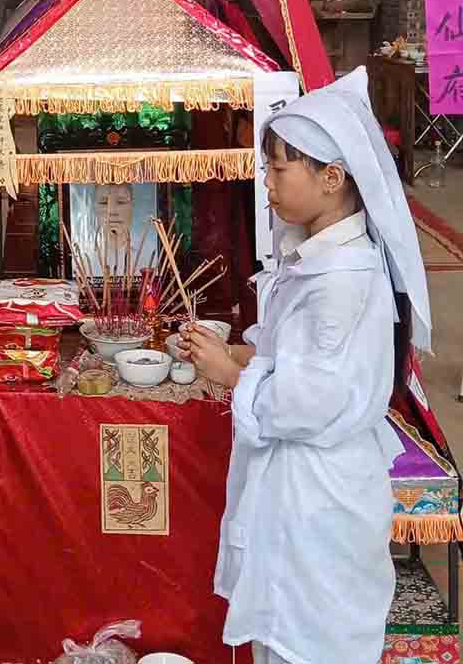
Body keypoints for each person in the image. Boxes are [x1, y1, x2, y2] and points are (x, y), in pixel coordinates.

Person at [180, 68, 431, 664]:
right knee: (284, 637)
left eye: (278, 169)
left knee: (310, 644)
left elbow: (312, 397)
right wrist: (239, 353)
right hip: (302, 492)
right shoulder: (319, 263)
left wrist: (233, 374)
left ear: (331, 178)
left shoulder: (343, 285)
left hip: (320, 500)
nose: (266, 183)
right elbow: (297, 359)